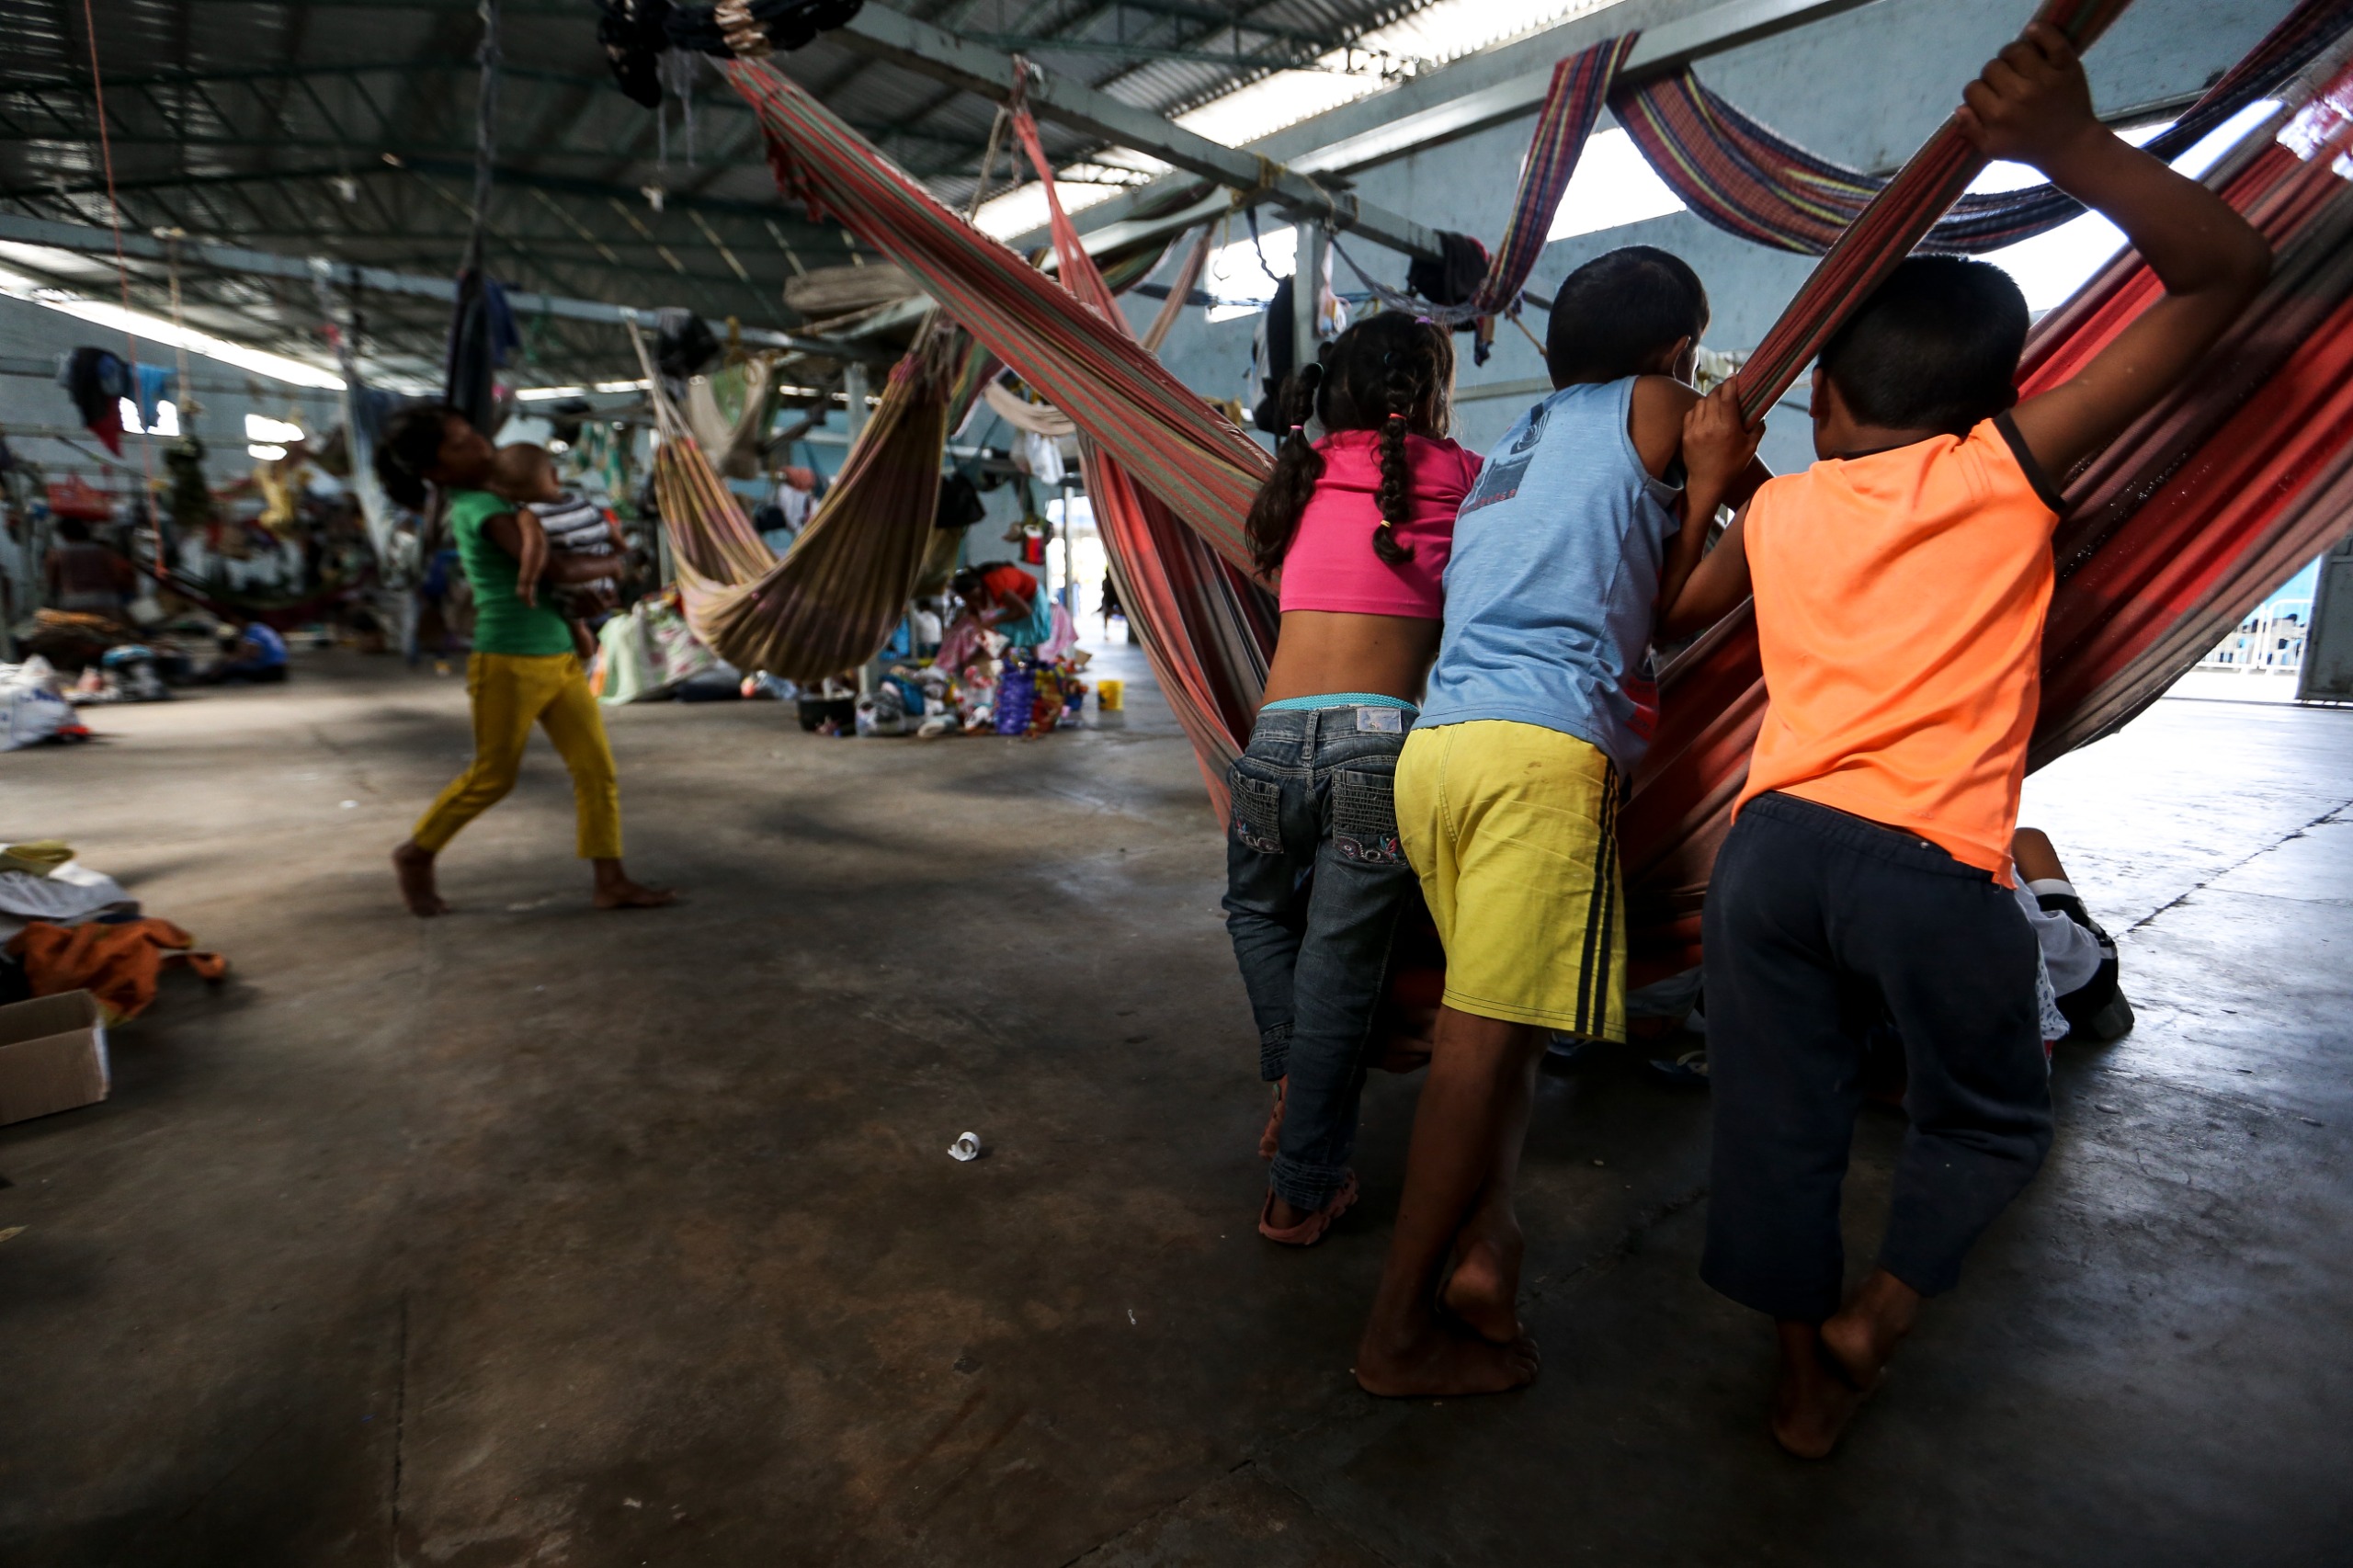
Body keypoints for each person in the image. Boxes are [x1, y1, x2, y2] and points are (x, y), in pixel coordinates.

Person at [1659, 25, 2269, 1458]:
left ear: (1824, 402)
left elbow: (1679, 606)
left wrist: (1712, 473)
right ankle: (1878, 1317)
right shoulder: (2007, 466)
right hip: (1929, 869)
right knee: (1989, 1118)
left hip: (1772, 861)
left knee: (1778, 1125)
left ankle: (1803, 1383)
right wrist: (2073, 145)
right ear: (1996, 399)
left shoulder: (1791, 507)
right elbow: (2228, 276)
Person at [1357, 248, 1769, 1397]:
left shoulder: (1513, 453)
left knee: (1511, 1040)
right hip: (1540, 751)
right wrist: (1739, 494)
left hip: (1438, 755)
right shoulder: (1663, 404)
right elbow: (1683, 604)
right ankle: (1393, 1334)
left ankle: (1485, 1253)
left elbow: (1634, 590)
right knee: (1477, 1050)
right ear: (1680, 349)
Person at [1219, 312, 1479, 1249]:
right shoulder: (1462, 479)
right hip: (1377, 749)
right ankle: (1302, 1190)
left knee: (1252, 910)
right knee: (1339, 973)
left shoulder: (1294, 474)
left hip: (1269, 743)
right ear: (1435, 394)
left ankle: (1294, 1079)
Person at [374, 405, 676, 919]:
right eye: (459, 443)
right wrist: (622, 563)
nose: (478, 444)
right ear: (436, 471)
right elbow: (554, 567)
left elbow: (564, 573)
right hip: (508, 659)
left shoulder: (505, 495)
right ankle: (416, 852)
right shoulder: (476, 507)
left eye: (472, 432)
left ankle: (611, 881)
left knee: (596, 769)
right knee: (494, 775)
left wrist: (586, 602)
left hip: (557, 651)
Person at [486, 441, 623, 662]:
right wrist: (619, 552)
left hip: (574, 585)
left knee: (576, 626)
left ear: (507, 494)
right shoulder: (583, 503)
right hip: (603, 578)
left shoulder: (530, 514)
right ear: (554, 475)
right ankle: (593, 663)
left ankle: (587, 663)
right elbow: (609, 529)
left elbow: (535, 548)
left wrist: (526, 583)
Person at [44, 519, 133, 619]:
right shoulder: (104, 552)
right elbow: (119, 577)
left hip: (73, 603)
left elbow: (53, 582)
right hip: (105, 601)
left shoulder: (57, 555)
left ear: (64, 535)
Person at [201, 621, 290, 685]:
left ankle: (209, 680)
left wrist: (231, 661)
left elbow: (253, 652)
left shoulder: (253, 630)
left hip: (269, 670)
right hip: (280, 668)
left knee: (231, 670)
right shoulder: (261, 628)